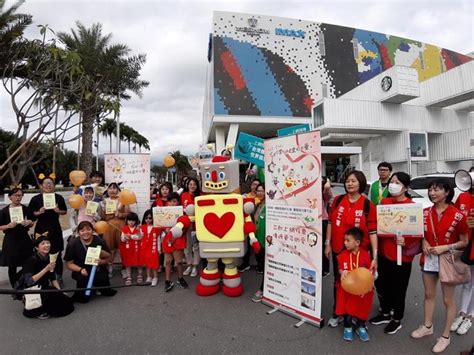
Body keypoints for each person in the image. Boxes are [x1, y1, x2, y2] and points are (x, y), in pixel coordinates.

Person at [411, 178, 470, 353]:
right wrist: (424, 243)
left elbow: (464, 242)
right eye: (430, 189)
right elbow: (421, 234)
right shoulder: (425, 212)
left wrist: (446, 247)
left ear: (447, 192)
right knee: (429, 295)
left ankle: (445, 336)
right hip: (428, 261)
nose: (432, 193)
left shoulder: (458, 215)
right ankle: (427, 326)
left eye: (437, 190)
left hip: (448, 262)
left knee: (447, 300)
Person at [324, 170, 378, 328]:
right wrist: (327, 243)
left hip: (359, 252)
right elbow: (330, 223)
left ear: (361, 183)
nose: (350, 183)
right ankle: (338, 312)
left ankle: (357, 315)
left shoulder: (368, 205)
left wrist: (375, 256)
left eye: (353, 181)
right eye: (347, 181)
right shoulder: (338, 201)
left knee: (360, 282)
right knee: (339, 280)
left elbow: (373, 232)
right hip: (339, 249)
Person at [370, 172, 421, 334]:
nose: (393, 185)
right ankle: (385, 312)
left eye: (397, 182)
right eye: (392, 182)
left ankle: (396, 318)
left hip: (402, 257)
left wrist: (406, 242)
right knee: (382, 285)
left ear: (405, 187)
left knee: (398, 288)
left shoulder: (412, 206)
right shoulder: (384, 203)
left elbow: (417, 234)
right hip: (383, 253)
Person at [22, 232, 74, 319]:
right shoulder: (30, 261)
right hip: (32, 289)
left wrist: (59, 291)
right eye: (43, 244)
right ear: (36, 247)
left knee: (65, 301)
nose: (47, 245)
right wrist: (46, 269)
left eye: (48, 243)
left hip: (44, 287)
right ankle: (36, 308)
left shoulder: (49, 258)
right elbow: (29, 281)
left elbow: (53, 278)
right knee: (57, 303)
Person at [64, 220, 117, 303]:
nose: (85, 232)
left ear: (93, 230)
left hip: (97, 269)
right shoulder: (73, 244)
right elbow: (69, 264)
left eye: (88, 229)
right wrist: (80, 270)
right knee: (83, 298)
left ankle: (99, 286)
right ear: (78, 232)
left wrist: (101, 262)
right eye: (82, 230)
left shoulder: (100, 241)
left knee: (104, 283)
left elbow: (108, 258)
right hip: (81, 270)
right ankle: (88, 289)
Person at [335, 227, 374, 342]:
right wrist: (342, 272)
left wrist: (370, 280)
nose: (345, 243)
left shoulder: (365, 256)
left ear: (357, 242)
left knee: (362, 309)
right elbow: (340, 269)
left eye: (348, 240)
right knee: (347, 310)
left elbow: (370, 271)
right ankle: (347, 327)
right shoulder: (343, 255)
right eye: (344, 240)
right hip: (347, 290)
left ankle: (361, 326)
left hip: (362, 290)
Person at [29, 173, 67, 284]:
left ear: (54, 186)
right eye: (45, 183)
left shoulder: (58, 197)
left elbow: (64, 211)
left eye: (50, 183)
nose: (48, 185)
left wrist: (57, 211)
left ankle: (58, 276)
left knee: (57, 253)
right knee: (41, 253)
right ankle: (42, 276)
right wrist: (38, 212)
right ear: (41, 186)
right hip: (41, 228)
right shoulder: (35, 199)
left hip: (55, 228)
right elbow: (31, 215)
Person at [0, 188, 35, 290]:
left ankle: (25, 284)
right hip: (11, 240)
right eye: (16, 195)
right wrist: (8, 226)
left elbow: (32, 221)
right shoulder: (4, 211)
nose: (18, 197)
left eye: (20, 195)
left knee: (28, 263)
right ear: (10, 197)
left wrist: (29, 222)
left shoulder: (25, 208)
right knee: (12, 266)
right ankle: (15, 288)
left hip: (24, 239)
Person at [450, 187, 474, 335]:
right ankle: (462, 313)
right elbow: (456, 218)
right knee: (467, 281)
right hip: (467, 244)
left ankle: (471, 316)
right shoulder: (463, 197)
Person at [101, 182, 130, 278]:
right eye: (110, 188)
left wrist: (120, 215)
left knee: (122, 248)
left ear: (118, 190)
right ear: (107, 190)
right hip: (108, 226)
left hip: (121, 226)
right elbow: (101, 217)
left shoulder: (123, 200)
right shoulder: (104, 201)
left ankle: (124, 268)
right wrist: (105, 213)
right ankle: (110, 267)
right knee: (109, 248)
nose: (112, 190)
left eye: (114, 188)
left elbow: (128, 214)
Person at [161, 192, 188, 292]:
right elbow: (160, 225)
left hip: (178, 239)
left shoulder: (182, 213)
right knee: (167, 261)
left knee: (179, 261)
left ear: (178, 202)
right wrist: (165, 229)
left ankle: (180, 278)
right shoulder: (163, 212)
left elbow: (186, 226)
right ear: (167, 202)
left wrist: (179, 231)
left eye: (174, 201)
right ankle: (167, 281)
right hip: (168, 239)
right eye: (170, 201)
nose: (172, 203)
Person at [239, 178, 262, 272]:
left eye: (257, 185)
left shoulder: (261, 199)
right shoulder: (245, 196)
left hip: (258, 226)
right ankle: (245, 264)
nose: (255, 186)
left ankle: (260, 266)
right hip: (247, 226)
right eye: (253, 184)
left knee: (258, 245)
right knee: (247, 246)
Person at [181, 177, 201, 278]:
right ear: (187, 185)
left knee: (196, 247)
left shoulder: (200, 196)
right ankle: (189, 265)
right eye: (190, 184)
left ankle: (195, 266)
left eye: (194, 184)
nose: (192, 186)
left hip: (197, 225)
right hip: (186, 226)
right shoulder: (183, 195)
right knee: (187, 247)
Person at [120, 212, 143, 285]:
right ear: (127, 220)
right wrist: (125, 237)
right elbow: (122, 239)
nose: (131, 222)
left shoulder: (138, 228)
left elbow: (140, 237)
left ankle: (140, 275)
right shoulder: (124, 228)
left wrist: (131, 236)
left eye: (133, 221)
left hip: (137, 248)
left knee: (139, 262)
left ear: (136, 221)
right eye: (129, 220)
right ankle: (129, 276)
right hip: (128, 249)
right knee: (128, 263)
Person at [252, 183, 266, 302]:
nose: (260, 193)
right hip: (257, 240)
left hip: (266, 241)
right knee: (261, 264)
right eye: (258, 191)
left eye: (262, 191)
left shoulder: (270, 206)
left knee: (266, 266)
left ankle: (262, 290)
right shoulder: (258, 204)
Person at [140, 209, 160, 287]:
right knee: (147, 263)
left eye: (150, 218)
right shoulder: (142, 227)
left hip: (153, 248)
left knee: (154, 263)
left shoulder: (156, 227)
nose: (148, 220)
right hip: (144, 248)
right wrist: (132, 235)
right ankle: (148, 276)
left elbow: (158, 238)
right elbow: (139, 237)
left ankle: (155, 277)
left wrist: (159, 249)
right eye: (146, 218)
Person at [321, 176, 333, 277]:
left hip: (322, 221)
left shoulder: (324, 194)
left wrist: (327, 181)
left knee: (323, 246)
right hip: (310, 222)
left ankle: (325, 269)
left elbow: (327, 189)